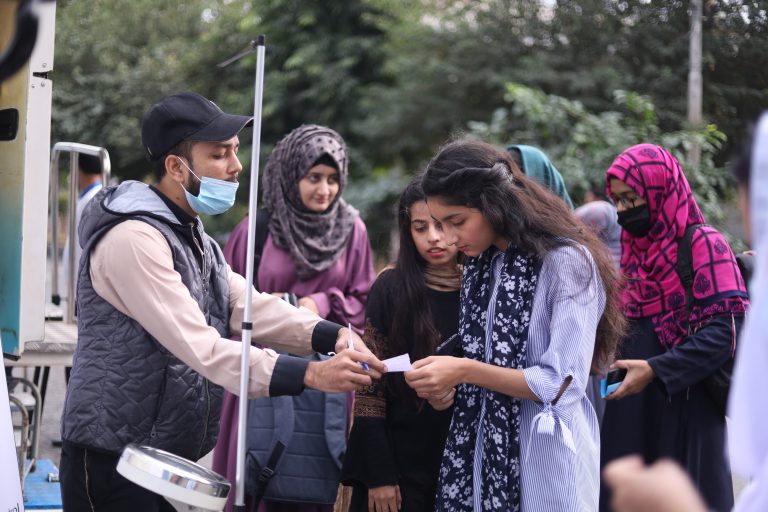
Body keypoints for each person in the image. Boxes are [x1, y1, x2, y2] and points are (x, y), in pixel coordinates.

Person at [58, 92, 385, 512]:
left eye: (234, 151)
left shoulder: (194, 238)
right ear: (177, 167)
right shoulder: (134, 239)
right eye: (219, 154)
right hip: (111, 456)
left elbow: (248, 305)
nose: (236, 166)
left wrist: (332, 333)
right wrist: (311, 376)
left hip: (157, 455)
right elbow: (203, 346)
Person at [404, 139, 625, 511]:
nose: (450, 238)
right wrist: (446, 386)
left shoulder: (567, 263)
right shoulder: (481, 264)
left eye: (458, 222)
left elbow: (560, 384)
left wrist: (465, 371)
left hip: (546, 463)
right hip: (480, 460)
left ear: (494, 204)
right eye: (442, 224)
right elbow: (476, 359)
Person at [603, 116, 768, 512]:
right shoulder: (633, 252)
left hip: (687, 406)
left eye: (632, 198)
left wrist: (657, 369)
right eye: (619, 200)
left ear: (659, 190)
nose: (625, 210)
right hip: (633, 406)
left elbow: (724, 332)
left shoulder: (703, 244)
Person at [213, 124, 376, 512]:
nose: (325, 190)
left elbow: (364, 301)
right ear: (290, 175)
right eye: (314, 178)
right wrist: (272, 308)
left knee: (319, 478)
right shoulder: (256, 231)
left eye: (333, 179)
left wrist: (319, 302)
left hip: (332, 375)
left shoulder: (352, 230)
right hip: (263, 372)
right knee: (258, 473)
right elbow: (224, 304)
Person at [340, 174, 462, 511]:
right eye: (421, 228)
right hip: (397, 459)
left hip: (461, 461)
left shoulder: (482, 289)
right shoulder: (391, 288)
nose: (434, 238)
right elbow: (369, 389)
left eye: (443, 225)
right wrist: (380, 474)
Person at [507, 143, 575, 209]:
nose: (509, 178)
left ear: (540, 173)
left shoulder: (563, 215)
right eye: (506, 169)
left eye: (519, 170)